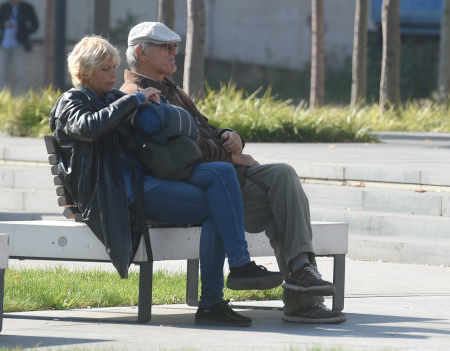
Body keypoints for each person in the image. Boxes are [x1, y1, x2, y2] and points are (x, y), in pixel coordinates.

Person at [51, 35, 286, 327]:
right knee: (216, 207)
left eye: (114, 67)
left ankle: (238, 269)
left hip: (146, 179)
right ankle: (215, 298)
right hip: (118, 195)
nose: (113, 74)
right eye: (105, 69)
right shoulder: (71, 102)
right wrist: (135, 98)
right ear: (84, 72)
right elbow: (88, 127)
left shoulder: (111, 99)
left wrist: (157, 107)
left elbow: (149, 124)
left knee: (222, 173)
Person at [120, 21, 344, 325]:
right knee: (282, 203)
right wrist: (231, 154)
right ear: (140, 53)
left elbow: (206, 130)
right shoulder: (138, 95)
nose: (175, 52)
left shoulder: (174, 91)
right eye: (166, 47)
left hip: (221, 179)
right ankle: (301, 301)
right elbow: (179, 153)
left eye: (176, 45)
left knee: (283, 176)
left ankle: (302, 271)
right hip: (191, 190)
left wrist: (229, 135)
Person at [0, 0, 38, 93]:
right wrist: (4, 24)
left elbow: (35, 25)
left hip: (19, 45)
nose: (13, 1)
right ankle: (3, 94)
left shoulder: (26, 7)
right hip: (4, 45)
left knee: (20, 73)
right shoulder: (4, 7)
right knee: (3, 72)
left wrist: (25, 32)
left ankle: (20, 95)